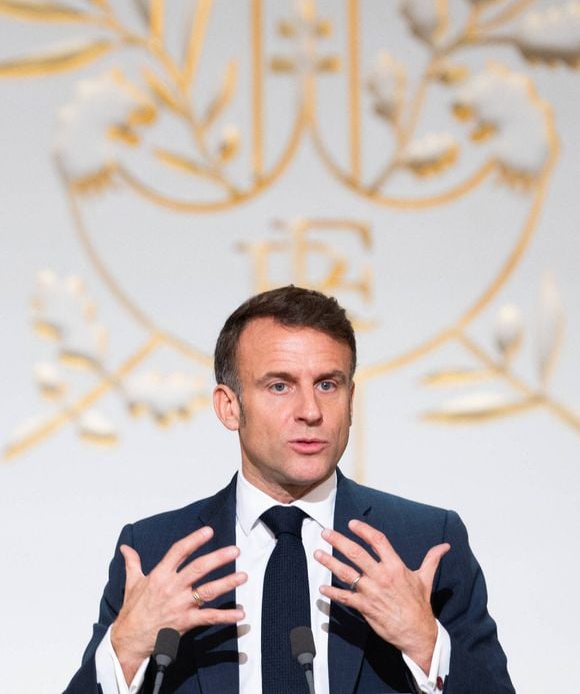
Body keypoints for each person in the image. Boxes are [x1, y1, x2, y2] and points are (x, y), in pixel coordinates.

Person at [64, 285, 515, 694]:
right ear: (228, 406)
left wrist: (426, 642)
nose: (310, 411)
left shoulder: (424, 543)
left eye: (327, 384)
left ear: (351, 400)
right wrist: (124, 650)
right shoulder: (156, 553)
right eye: (279, 386)